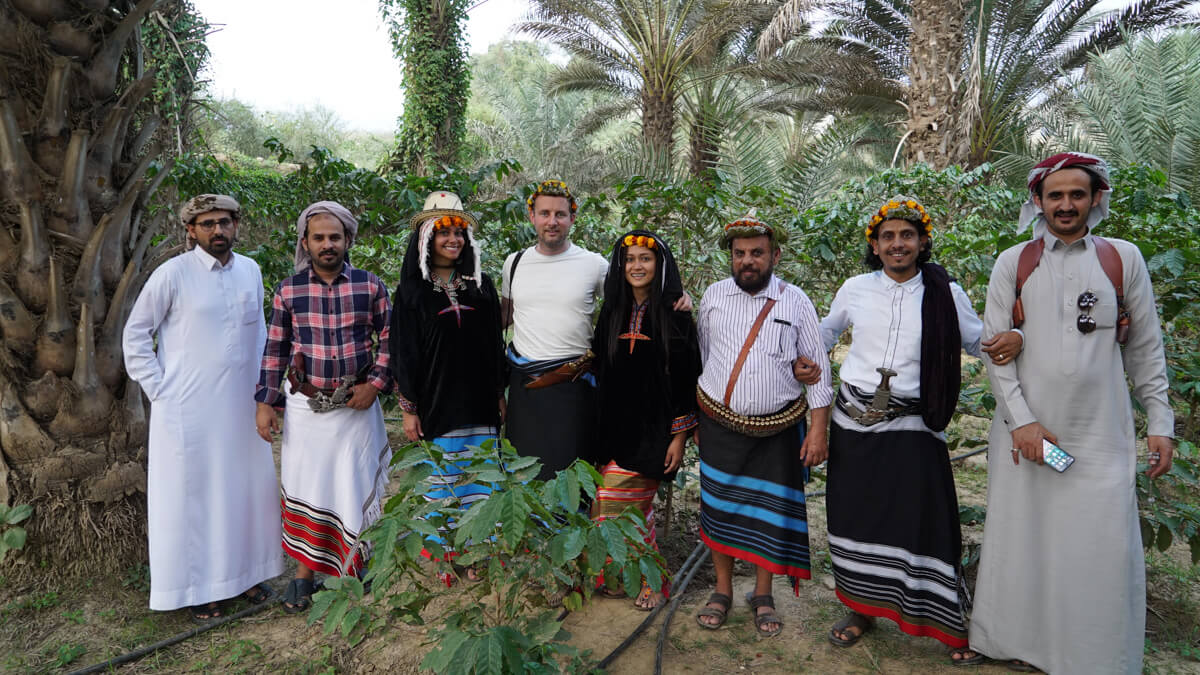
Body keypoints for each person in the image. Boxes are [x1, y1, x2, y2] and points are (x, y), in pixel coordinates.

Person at [970, 152, 1175, 675]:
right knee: (1025, 538)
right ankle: (1016, 644)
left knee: (1099, 545)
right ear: (1037, 201)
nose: (1066, 205)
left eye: (1076, 194)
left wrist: (1159, 422)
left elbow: (1146, 348)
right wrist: (1024, 423)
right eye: (1055, 195)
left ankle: (1093, 656)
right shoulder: (1013, 263)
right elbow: (996, 355)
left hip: (1102, 433)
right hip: (1025, 434)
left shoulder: (1121, 258)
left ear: (1094, 199)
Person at [818, 197, 983, 663]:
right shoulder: (854, 287)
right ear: (874, 244)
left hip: (916, 420)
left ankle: (947, 625)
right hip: (853, 419)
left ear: (923, 241)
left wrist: (1025, 335)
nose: (897, 244)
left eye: (906, 235)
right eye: (887, 236)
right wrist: (805, 356)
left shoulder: (945, 292)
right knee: (855, 514)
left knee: (924, 517)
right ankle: (859, 609)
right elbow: (826, 333)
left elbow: (978, 340)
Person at [123, 194, 281, 621]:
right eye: (208, 223)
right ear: (191, 230)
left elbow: (262, 335)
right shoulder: (172, 274)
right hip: (187, 411)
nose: (218, 230)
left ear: (236, 225)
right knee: (194, 497)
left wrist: (269, 392)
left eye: (225, 222)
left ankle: (247, 575)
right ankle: (198, 589)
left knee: (244, 490)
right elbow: (135, 335)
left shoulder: (250, 270)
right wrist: (161, 389)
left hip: (243, 407)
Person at [693, 213, 833, 638]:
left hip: (778, 430)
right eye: (739, 254)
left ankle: (763, 593)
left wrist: (817, 429)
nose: (747, 261)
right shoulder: (714, 297)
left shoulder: (796, 301)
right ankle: (721, 591)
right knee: (720, 510)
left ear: (775, 255)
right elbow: (702, 359)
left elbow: (820, 369)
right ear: (730, 257)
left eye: (757, 253)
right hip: (719, 425)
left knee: (768, 516)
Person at [502, 180, 692, 481]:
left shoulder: (594, 265)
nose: (552, 221)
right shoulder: (514, 264)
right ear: (532, 216)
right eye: (545, 213)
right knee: (523, 470)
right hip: (525, 388)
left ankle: (571, 527)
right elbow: (504, 316)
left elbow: (634, 294)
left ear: (572, 218)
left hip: (576, 388)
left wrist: (678, 298)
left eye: (560, 214)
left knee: (571, 473)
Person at [255, 201, 394, 613]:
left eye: (335, 237)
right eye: (319, 238)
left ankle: (354, 565)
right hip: (306, 407)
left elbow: (391, 340)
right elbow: (275, 349)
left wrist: (376, 384)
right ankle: (304, 575)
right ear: (305, 242)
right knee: (306, 487)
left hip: (357, 406)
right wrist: (267, 403)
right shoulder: (288, 290)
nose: (327, 244)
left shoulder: (370, 286)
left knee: (351, 483)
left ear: (348, 240)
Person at [390, 191, 504, 584]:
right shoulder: (411, 293)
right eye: (444, 233)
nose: (453, 240)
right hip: (437, 404)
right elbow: (403, 353)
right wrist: (409, 407)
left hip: (479, 403)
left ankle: (480, 550)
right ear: (426, 238)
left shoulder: (481, 286)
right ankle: (445, 554)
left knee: (481, 478)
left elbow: (494, 345)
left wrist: (500, 393)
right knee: (444, 481)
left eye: (459, 233)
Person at [590, 230, 701, 610]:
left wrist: (679, 437)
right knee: (612, 505)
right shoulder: (612, 312)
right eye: (630, 259)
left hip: (654, 431)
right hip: (612, 428)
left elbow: (687, 381)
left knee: (627, 506)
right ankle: (621, 577)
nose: (636, 266)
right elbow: (601, 370)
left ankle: (653, 576)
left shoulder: (677, 315)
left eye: (645, 259)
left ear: (660, 265)